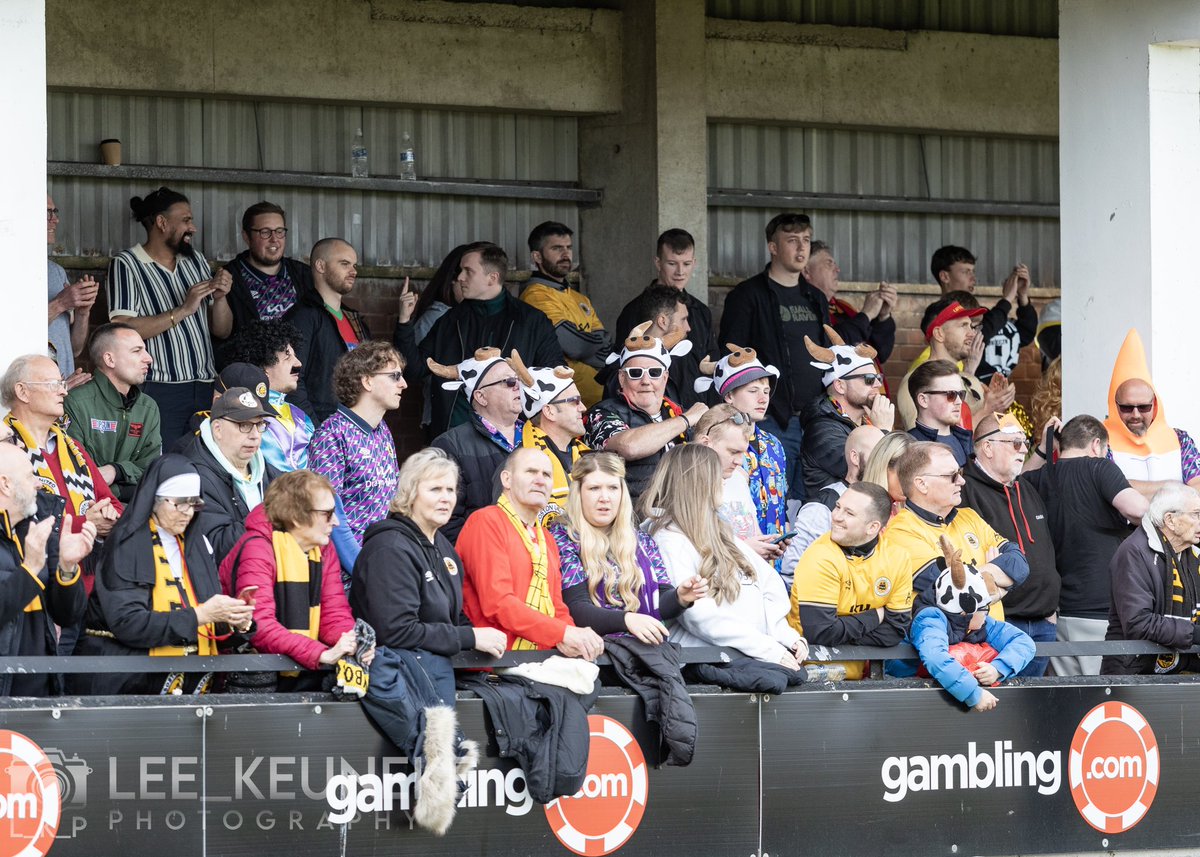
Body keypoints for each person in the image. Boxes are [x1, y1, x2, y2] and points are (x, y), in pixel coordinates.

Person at [71, 455, 254, 695]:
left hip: (191, 686)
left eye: (194, 503)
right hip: (125, 686)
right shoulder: (126, 545)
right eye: (179, 503)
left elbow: (207, 621)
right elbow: (128, 623)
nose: (188, 513)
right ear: (154, 500)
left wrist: (236, 623)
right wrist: (200, 615)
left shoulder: (198, 545)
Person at [642, 444, 807, 667]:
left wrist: (785, 636)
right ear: (696, 483)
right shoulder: (667, 539)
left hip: (752, 656)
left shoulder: (720, 529)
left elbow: (768, 583)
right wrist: (765, 648)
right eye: (716, 475)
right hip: (705, 663)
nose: (723, 481)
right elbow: (698, 616)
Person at [106, 187, 233, 448]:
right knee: (167, 467)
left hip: (205, 385)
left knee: (205, 465)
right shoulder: (127, 264)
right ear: (162, 223)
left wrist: (220, 298)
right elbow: (120, 328)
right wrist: (183, 310)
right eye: (186, 220)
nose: (193, 228)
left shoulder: (195, 261)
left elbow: (221, 330)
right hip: (159, 389)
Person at [351, 448, 507, 659]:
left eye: (450, 490)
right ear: (410, 493)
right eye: (435, 489)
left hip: (438, 671)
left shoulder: (443, 547)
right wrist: (469, 637)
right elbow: (396, 631)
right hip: (398, 675)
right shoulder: (389, 549)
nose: (446, 498)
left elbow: (452, 616)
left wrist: (479, 638)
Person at [220, 470, 369, 689]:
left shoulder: (323, 549)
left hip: (295, 666)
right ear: (296, 517)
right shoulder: (257, 547)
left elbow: (334, 614)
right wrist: (320, 653)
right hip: (248, 672)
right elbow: (260, 626)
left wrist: (352, 642)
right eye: (327, 514)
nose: (336, 522)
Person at [1024, 415, 1148, 676]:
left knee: (1068, 701)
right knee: (1102, 701)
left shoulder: (1040, 478)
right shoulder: (1100, 468)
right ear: (1096, 445)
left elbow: (1019, 480)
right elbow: (1138, 510)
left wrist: (1044, 449)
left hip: (1057, 610)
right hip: (1100, 607)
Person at [720, 213, 831, 499]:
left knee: (811, 500)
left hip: (815, 419)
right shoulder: (747, 296)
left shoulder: (815, 298)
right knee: (772, 498)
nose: (801, 248)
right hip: (771, 418)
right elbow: (731, 353)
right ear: (773, 247)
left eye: (806, 240)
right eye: (792, 240)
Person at [456, 448, 604, 659]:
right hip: (496, 660)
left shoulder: (546, 537)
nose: (540, 480)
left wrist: (574, 639)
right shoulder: (486, 521)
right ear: (506, 479)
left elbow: (556, 608)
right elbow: (498, 604)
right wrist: (563, 633)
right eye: (531, 472)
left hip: (541, 657)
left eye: (547, 475)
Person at [403, 242, 564, 434]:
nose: (460, 277)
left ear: (492, 278)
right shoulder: (449, 321)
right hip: (455, 435)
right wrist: (404, 322)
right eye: (460, 271)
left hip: (513, 436)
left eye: (468, 271)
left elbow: (552, 375)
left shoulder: (532, 321)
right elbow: (414, 370)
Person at [550, 452, 707, 641]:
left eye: (613, 488)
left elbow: (660, 603)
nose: (605, 497)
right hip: (591, 654)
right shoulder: (562, 537)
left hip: (642, 653)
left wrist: (680, 597)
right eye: (594, 488)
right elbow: (576, 609)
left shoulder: (642, 540)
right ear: (578, 494)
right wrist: (627, 620)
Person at [960, 413, 1061, 677]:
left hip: (1043, 623)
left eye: (1024, 442)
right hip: (1000, 623)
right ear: (988, 447)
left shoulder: (1024, 488)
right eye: (1015, 443)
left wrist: (1051, 610)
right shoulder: (964, 490)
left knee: (1033, 709)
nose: (1024, 449)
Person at [886, 442, 1029, 616]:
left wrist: (977, 576)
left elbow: (1019, 562)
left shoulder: (969, 516)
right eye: (952, 476)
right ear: (922, 484)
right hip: (947, 641)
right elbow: (952, 588)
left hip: (992, 638)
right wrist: (998, 584)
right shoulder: (900, 532)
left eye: (959, 473)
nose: (961, 481)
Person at [788, 481, 912, 679]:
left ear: (872, 527)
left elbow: (895, 630)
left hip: (861, 675)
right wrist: (875, 616)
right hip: (808, 671)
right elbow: (820, 633)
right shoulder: (820, 556)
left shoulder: (897, 557)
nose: (836, 516)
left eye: (849, 513)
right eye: (837, 507)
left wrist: (841, 631)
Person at [898, 535, 1035, 712]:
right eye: (985, 607)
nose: (988, 612)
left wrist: (998, 668)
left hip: (947, 695)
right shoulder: (930, 619)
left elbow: (1024, 643)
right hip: (909, 700)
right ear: (965, 611)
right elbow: (935, 658)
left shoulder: (977, 622)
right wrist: (974, 694)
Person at [0, 443, 95, 695]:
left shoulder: (35, 529)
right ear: (5, 484)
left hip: (40, 692)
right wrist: (30, 569)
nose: (39, 484)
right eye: (30, 475)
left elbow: (68, 615)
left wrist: (67, 567)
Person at [308, 341, 406, 573]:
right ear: (367, 381)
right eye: (394, 376)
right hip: (346, 577)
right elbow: (329, 513)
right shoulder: (331, 434)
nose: (403, 384)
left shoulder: (382, 430)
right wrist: (362, 569)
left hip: (381, 563)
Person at [2, 355, 123, 540]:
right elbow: (11, 522)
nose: (64, 392)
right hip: (32, 566)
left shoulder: (72, 447)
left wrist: (108, 515)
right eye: (53, 384)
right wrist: (85, 523)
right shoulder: (5, 448)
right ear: (22, 391)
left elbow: (113, 504)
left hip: (85, 565)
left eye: (62, 384)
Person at [586, 323, 701, 500]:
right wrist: (686, 420)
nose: (646, 381)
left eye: (654, 372)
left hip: (682, 517)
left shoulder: (676, 413)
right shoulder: (602, 413)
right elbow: (630, 447)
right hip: (630, 521)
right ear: (622, 378)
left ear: (665, 377)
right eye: (635, 373)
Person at [1102, 482, 1200, 675]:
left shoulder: (1194, 555)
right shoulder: (1134, 552)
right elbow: (1138, 623)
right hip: (1133, 673)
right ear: (1170, 520)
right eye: (1196, 514)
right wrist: (1195, 634)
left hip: (1180, 671)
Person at [428, 348, 525, 540]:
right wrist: (481, 556)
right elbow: (445, 521)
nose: (518, 387)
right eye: (509, 382)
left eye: (518, 380)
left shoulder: (536, 438)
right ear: (481, 396)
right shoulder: (449, 446)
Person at [614, 230, 717, 409]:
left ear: (694, 263)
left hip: (696, 410)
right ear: (658, 263)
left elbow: (713, 363)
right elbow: (623, 368)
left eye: (686, 264)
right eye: (672, 263)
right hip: (652, 412)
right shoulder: (636, 311)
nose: (680, 272)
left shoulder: (701, 311)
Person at [695, 344, 788, 540]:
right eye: (753, 390)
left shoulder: (774, 445)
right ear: (729, 395)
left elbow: (781, 502)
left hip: (772, 557)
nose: (763, 398)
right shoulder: (710, 442)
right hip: (731, 553)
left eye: (766, 390)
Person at [64, 323, 161, 503]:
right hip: (88, 511)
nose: (148, 358)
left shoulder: (148, 407)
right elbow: (77, 474)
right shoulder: (75, 402)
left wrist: (116, 470)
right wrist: (126, 489)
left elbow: (152, 470)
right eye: (137, 351)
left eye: (145, 350)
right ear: (109, 359)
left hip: (134, 512)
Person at [181, 387, 280, 563]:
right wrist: (274, 515)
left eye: (259, 425)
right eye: (245, 425)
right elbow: (218, 546)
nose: (255, 435)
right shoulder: (194, 478)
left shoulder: (268, 471)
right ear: (217, 429)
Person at [519, 222, 611, 406]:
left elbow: (606, 345)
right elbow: (574, 346)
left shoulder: (580, 298)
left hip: (597, 402)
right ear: (537, 256)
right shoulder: (536, 295)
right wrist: (589, 343)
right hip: (563, 404)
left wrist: (586, 344)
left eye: (568, 248)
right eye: (557, 248)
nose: (565, 254)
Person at [285, 237, 375, 424]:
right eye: (344, 264)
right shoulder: (303, 317)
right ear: (320, 266)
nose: (353, 271)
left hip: (358, 430)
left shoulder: (355, 320)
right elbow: (292, 381)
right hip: (323, 429)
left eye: (354, 265)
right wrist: (315, 431)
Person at [799, 325, 895, 500]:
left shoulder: (867, 420)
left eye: (878, 378)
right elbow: (867, 471)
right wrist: (883, 431)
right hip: (834, 519)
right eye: (868, 379)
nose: (877, 385)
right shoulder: (821, 429)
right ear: (840, 386)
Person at [1103, 329, 1200, 499]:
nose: (1136, 414)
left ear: (1154, 405)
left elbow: (1198, 487)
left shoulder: (1180, 439)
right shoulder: (1100, 441)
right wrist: (1177, 486)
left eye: (1143, 407)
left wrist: (1137, 488)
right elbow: (1110, 486)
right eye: (1126, 407)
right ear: (1115, 405)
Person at [782, 425, 885, 586]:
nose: (883, 463)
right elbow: (792, 571)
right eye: (877, 455)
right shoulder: (824, 504)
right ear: (855, 458)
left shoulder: (884, 502)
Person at [929, 246, 1038, 384]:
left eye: (973, 271)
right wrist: (1007, 300)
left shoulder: (986, 315)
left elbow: (1025, 334)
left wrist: (1022, 296)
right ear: (945, 276)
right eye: (966, 272)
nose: (973, 278)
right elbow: (981, 335)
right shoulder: (936, 316)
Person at [896, 298, 1004, 432]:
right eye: (963, 325)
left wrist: (996, 405)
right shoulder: (915, 381)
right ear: (939, 334)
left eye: (971, 326)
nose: (973, 333)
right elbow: (924, 442)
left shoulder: (971, 380)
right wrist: (986, 410)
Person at [221, 319, 312, 473]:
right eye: (288, 357)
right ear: (263, 368)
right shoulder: (242, 415)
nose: (298, 363)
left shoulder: (301, 416)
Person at [221, 201, 313, 335]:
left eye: (279, 231)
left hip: (298, 355)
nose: (274, 239)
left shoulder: (304, 274)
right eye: (265, 232)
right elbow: (222, 333)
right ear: (246, 237)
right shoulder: (229, 277)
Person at [516, 362, 590, 527]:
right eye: (574, 401)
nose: (583, 408)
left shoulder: (590, 458)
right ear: (549, 411)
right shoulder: (518, 468)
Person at [804, 239, 896, 365]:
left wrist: (883, 317)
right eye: (829, 263)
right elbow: (833, 346)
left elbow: (881, 353)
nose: (837, 269)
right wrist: (866, 314)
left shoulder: (843, 307)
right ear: (806, 272)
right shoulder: (804, 310)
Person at [412, 245, 467, 434]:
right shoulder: (436, 317)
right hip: (443, 418)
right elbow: (416, 368)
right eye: (465, 275)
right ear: (453, 279)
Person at [47, 194, 98, 382]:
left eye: (55, 212)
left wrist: (83, 312)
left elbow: (74, 349)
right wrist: (60, 303)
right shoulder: (8, 270)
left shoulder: (56, 272)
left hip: (61, 392)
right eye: (47, 212)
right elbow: (13, 331)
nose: (55, 219)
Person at [905, 360, 976, 466]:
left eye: (961, 394)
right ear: (924, 400)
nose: (959, 402)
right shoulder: (910, 447)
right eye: (951, 395)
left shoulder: (964, 438)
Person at [861, 431, 915, 518]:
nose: (911, 482)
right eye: (904, 473)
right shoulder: (855, 509)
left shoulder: (910, 511)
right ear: (884, 467)